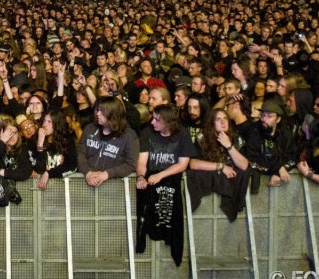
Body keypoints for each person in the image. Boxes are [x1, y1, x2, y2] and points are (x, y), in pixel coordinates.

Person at [135, 104, 194, 265]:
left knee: (172, 220)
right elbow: (142, 161)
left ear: (168, 122)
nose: (152, 122)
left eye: (157, 119)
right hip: (150, 180)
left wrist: (160, 175)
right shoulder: (147, 132)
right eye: (153, 118)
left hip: (169, 181)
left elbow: (182, 164)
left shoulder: (182, 133)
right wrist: (140, 176)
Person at [187, 109, 250, 220]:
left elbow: (244, 166)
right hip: (207, 201)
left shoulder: (236, 138)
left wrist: (229, 146)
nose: (223, 122)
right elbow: (193, 164)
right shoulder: (202, 138)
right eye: (218, 119)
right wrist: (221, 166)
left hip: (230, 189)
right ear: (211, 122)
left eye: (225, 118)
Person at [77, 96, 139, 187]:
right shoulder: (89, 129)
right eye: (98, 110)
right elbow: (80, 152)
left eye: (101, 111)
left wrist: (107, 174)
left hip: (112, 187)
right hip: (86, 182)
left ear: (112, 114)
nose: (97, 113)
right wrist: (87, 172)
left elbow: (130, 164)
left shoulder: (129, 135)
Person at [245, 99, 298, 187]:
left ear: (278, 119)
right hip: (261, 181)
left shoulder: (285, 133)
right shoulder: (254, 130)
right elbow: (252, 159)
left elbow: (292, 157)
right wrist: (278, 169)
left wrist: (278, 172)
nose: (264, 119)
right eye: (262, 115)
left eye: (269, 116)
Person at [32, 108, 78, 190]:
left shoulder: (67, 141)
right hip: (41, 189)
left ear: (57, 124)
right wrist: (40, 145)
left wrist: (49, 173)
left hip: (63, 188)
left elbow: (71, 165)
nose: (44, 125)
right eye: (44, 121)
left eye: (49, 122)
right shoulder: (35, 140)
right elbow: (39, 169)